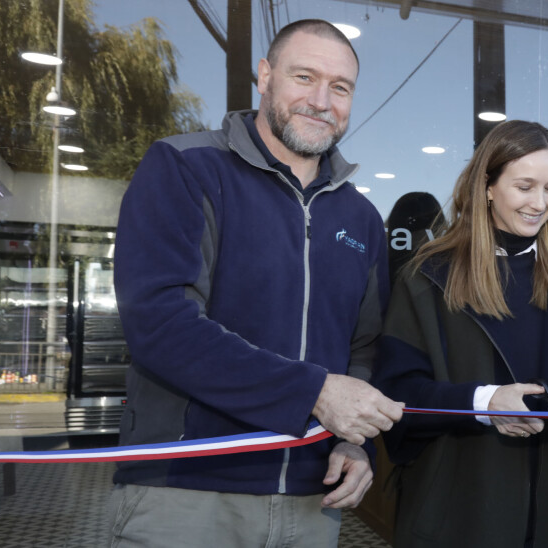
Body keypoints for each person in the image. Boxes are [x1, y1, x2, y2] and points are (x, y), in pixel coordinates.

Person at [109, 20, 403, 547]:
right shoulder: (185, 168)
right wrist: (313, 392)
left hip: (313, 504)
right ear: (265, 76)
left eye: (340, 87)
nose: (321, 100)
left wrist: (355, 443)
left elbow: (363, 351)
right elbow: (160, 324)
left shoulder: (362, 218)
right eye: (304, 77)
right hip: (187, 494)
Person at [372, 120, 548, 548]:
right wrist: (484, 402)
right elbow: (395, 396)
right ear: (488, 187)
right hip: (459, 514)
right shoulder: (427, 280)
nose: (541, 202)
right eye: (525, 186)